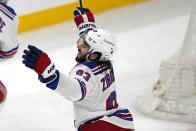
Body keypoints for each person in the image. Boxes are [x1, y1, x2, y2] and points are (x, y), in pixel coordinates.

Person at [22, 7, 134, 131]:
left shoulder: (86, 72)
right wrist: (87, 28)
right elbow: (97, 44)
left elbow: (75, 91)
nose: (79, 45)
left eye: (85, 45)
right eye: (83, 41)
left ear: (94, 55)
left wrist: (50, 73)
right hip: (118, 123)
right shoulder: (106, 64)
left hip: (98, 127)